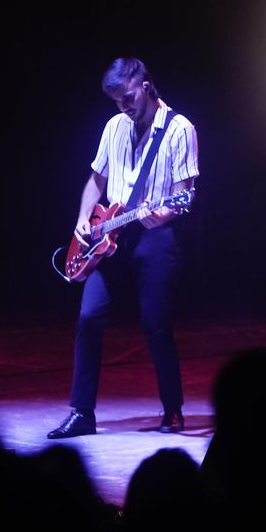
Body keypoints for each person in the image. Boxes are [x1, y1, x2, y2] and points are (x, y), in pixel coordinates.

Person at [49, 57, 199, 439]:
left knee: (155, 322)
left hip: (155, 234)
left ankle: (173, 409)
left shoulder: (180, 130)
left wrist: (162, 215)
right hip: (109, 234)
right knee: (88, 317)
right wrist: (84, 219)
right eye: (117, 101)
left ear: (145, 86)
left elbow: (183, 198)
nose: (124, 106)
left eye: (128, 97)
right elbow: (96, 181)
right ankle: (82, 413)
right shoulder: (115, 126)